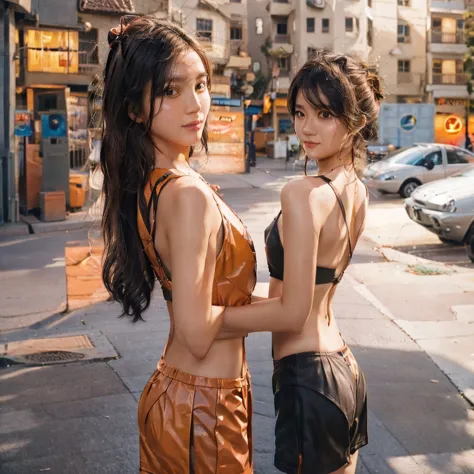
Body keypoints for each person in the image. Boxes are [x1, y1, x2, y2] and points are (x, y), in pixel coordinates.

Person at [100, 15, 256, 473]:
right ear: (134, 107)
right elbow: (196, 328)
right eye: (171, 90)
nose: (196, 104)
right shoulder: (184, 193)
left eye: (202, 84)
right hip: (204, 411)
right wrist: (295, 310)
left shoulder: (161, 182)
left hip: (188, 400)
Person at [220, 51, 384, 474]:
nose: (307, 127)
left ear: (358, 122)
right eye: (300, 112)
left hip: (307, 378)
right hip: (343, 368)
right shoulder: (355, 190)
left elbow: (292, 312)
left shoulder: (303, 193)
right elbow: (308, 290)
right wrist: (236, 297)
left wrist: (212, 319)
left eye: (325, 114)